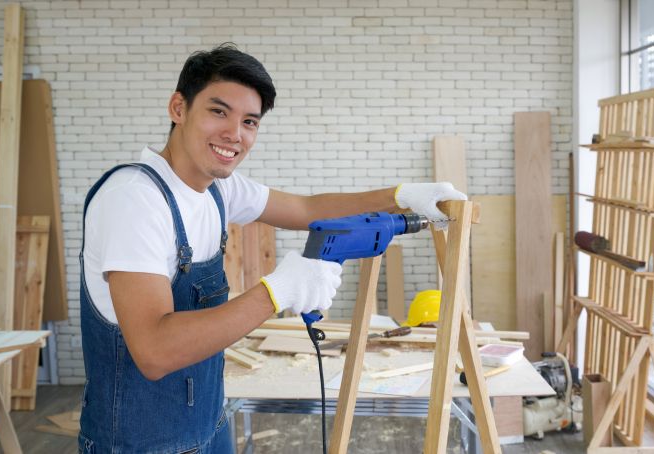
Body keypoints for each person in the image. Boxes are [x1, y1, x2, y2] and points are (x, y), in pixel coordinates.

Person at [77, 43, 466, 453]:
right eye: (218, 111)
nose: (235, 134)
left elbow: (306, 208)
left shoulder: (217, 189)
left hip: (207, 424)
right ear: (178, 107)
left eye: (250, 121)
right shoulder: (134, 200)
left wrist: (402, 196)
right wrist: (276, 291)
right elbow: (154, 350)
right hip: (141, 443)